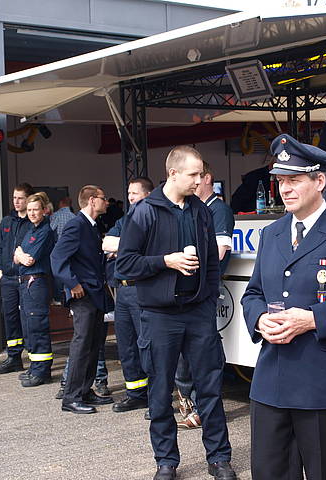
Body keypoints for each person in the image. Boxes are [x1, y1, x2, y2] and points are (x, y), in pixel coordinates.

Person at [241, 134, 326, 480]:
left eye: (294, 179)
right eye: (280, 181)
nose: (285, 189)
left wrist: (313, 319)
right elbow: (253, 293)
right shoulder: (272, 233)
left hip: (323, 385)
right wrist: (259, 319)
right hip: (271, 382)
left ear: (320, 181)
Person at [117, 146, 236, 480]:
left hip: (198, 312)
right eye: (193, 175)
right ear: (172, 173)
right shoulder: (145, 211)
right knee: (160, 390)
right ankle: (166, 461)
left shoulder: (201, 211)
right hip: (160, 315)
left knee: (210, 388)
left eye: (201, 174)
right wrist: (165, 262)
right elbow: (125, 264)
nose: (200, 180)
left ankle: (219, 458)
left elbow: (211, 263)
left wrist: (208, 300)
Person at [174, 160, 235, 429]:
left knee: (205, 351)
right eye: (191, 176)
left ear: (208, 178)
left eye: (199, 176)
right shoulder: (191, 208)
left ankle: (204, 407)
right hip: (187, 292)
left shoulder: (218, 209)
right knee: (187, 351)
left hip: (205, 291)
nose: (195, 182)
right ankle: (188, 399)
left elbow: (219, 253)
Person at [51, 185, 111, 414]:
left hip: (94, 293)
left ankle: (85, 391)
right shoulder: (76, 225)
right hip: (83, 294)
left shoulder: (91, 226)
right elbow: (57, 257)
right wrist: (72, 284)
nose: (107, 202)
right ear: (92, 200)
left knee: (94, 344)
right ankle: (71, 397)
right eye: (104, 198)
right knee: (82, 344)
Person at [102, 177, 154, 413]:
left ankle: (156, 398)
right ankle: (136, 394)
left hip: (141, 288)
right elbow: (106, 243)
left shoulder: (153, 218)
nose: (131, 197)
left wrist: (122, 248)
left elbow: (147, 247)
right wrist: (131, 246)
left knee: (147, 345)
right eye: (129, 193)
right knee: (127, 345)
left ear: (148, 195)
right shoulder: (125, 219)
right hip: (122, 290)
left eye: (135, 193)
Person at [13, 193, 56, 387]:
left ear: (44, 210)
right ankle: (35, 366)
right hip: (26, 282)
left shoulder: (45, 231)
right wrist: (20, 255)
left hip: (36, 282)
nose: (31, 213)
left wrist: (20, 254)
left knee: (38, 325)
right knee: (29, 326)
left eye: (35, 210)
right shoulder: (31, 229)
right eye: (29, 210)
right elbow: (16, 257)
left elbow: (30, 259)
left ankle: (42, 371)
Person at [0, 182, 35, 375]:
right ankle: (14, 358)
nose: (16, 202)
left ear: (28, 199)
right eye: (14, 198)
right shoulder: (7, 221)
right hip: (8, 278)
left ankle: (34, 358)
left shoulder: (33, 222)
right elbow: (0, 247)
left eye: (20, 198)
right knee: (9, 317)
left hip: (26, 277)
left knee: (28, 317)